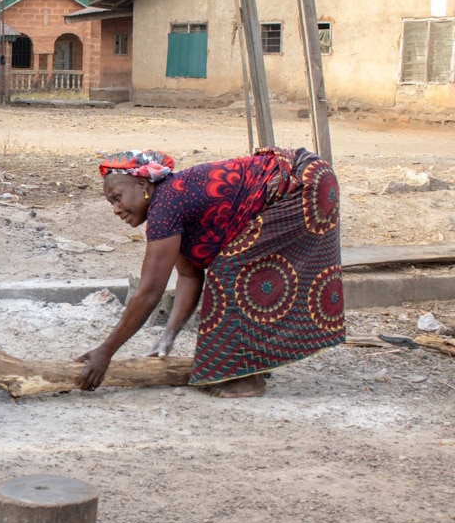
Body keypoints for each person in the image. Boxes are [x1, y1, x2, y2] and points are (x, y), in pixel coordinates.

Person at [75, 147, 345, 398]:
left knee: (231, 270)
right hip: (310, 176)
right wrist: (168, 337)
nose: (115, 209)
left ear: (143, 184)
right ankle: (252, 364)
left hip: (301, 184)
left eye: (117, 198)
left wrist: (106, 351)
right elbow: (189, 276)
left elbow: (149, 292)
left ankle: (248, 379)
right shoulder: (172, 201)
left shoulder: (165, 207)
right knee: (240, 268)